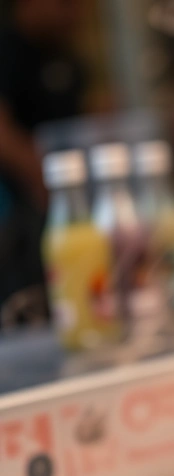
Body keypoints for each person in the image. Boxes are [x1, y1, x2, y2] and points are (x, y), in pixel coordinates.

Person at [0, 0, 86, 322]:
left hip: (66, 205)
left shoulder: (67, 59)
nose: (74, 12)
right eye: (63, 4)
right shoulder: (8, 51)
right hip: (18, 214)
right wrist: (42, 175)